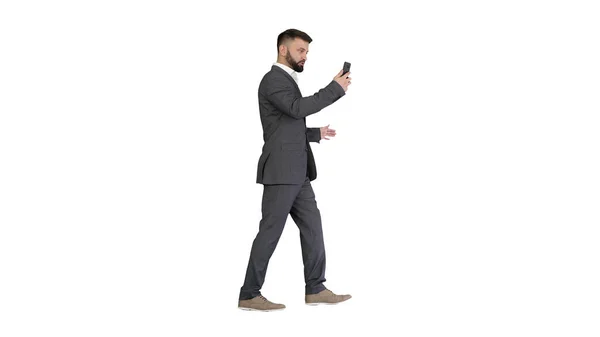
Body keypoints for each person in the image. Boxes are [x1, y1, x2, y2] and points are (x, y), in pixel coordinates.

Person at [238, 28, 352, 311]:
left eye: (307, 52)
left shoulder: (286, 81)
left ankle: (315, 288)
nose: (305, 56)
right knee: (270, 233)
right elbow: (296, 108)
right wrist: (335, 89)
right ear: (283, 50)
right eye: (301, 50)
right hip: (280, 172)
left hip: (298, 173)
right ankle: (249, 293)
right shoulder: (272, 80)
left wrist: (314, 133)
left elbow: (286, 124)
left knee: (313, 228)